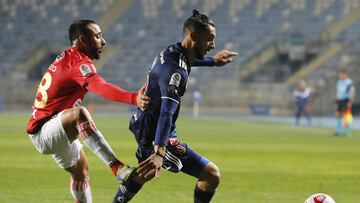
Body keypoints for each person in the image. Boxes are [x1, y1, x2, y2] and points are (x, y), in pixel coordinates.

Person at [113, 9, 238, 203]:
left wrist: (214, 61)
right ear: (193, 36)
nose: (213, 45)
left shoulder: (174, 51)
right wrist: (159, 152)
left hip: (144, 124)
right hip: (157, 133)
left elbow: (190, 60)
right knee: (211, 175)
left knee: (142, 174)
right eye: (210, 39)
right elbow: (166, 113)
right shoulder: (175, 73)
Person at [26, 20, 150, 203]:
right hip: (44, 131)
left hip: (56, 128)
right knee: (79, 114)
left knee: (81, 173)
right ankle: (118, 168)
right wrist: (133, 98)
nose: (103, 41)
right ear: (83, 40)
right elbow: (100, 87)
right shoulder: (77, 62)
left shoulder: (69, 57)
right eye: (98, 36)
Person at [335, 69, 355, 136]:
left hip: (346, 99)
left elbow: (352, 92)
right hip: (340, 100)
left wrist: (350, 101)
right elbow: (337, 91)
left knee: (346, 115)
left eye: (341, 74)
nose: (340, 76)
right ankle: (337, 131)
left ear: (345, 74)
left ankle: (346, 131)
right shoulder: (339, 82)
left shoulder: (349, 82)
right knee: (338, 115)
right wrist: (337, 100)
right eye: (339, 74)